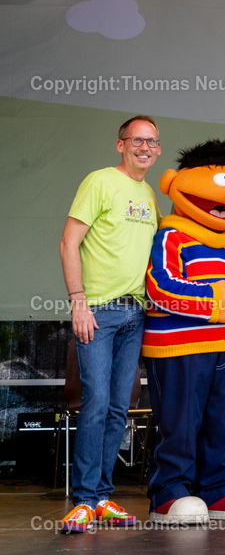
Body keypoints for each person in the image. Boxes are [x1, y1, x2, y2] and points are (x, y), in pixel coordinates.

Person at [143, 140, 225, 525]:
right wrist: (211, 303)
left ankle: (218, 489)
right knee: (180, 422)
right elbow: (159, 286)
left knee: (224, 422)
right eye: (222, 179)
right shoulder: (172, 237)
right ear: (178, 183)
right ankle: (169, 493)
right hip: (179, 347)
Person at [57, 115, 162, 533]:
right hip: (98, 311)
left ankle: (102, 496)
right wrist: (77, 301)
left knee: (120, 406)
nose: (145, 147)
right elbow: (68, 241)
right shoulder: (99, 181)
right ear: (120, 145)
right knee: (97, 401)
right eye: (137, 140)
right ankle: (82, 500)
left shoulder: (150, 193)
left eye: (152, 142)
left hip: (137, 314)